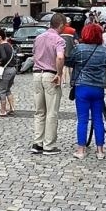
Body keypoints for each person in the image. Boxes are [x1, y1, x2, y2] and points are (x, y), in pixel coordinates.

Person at [66, 22, 106, 160]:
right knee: (98, 119)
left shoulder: (79, 49)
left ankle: (81, 150)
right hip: (98, 88)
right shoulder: (104, 51)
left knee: (82, 120)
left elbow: (69, 62)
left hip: (82, 87)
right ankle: (100, 151)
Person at [30, 13, 67, 154]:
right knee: (52, 112)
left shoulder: (39, 38)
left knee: (39, 111)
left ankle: (37, 143)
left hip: (36, 74)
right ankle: (49, 145)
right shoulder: (58, 40)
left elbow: (34, 54)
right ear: (61, 25)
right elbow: (60, 57)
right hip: (50, 75)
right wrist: (59, 73)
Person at [0, 28, 19, 116]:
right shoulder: (9, 45)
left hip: (6, 70)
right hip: (13, 69)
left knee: (2, 90)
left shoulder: (1, 46)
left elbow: (3, 57)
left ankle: (3, 111)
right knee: (7, 89)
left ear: (0, 37)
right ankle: (12, 108)